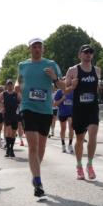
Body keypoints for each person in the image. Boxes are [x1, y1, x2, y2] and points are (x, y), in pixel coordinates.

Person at [18, 38, 64, 197]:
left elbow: (63, 87)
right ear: (29, 49)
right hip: (28, 108)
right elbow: (20, 82)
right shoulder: (23, 65)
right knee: (33, 145)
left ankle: (35, 172)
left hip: (45, 110)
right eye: (34, 47)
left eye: (39, 46)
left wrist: (54, 78)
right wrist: (19, 87)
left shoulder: (51, 65)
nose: (37, 49)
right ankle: (37, 181)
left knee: (42, 147)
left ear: (43, 49)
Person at [64, 44, 103, 180]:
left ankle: (90, 164)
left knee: (93, 135)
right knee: (79, 139)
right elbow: (65, 89)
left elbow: (98, 88)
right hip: (79, 109)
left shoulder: (97, 70)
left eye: (90, 52)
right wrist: (72, 86)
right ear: (80, 54)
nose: (88, 54)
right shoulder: (73, 70)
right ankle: (79, 166)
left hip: (92, 107)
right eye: (85, 52)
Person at [0, 80, 21, 158]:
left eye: (11, 85)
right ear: (6, 86)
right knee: (8, 132)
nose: (10, 86)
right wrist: (2, 107)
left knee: (13, 133)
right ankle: (8, 149)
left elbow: (21, 101)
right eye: (8, 85)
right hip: (7, 115)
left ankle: (11, 149)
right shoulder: (4, 93)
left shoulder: (16, 94)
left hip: (15, 115)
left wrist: (19, 106)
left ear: (13, 86)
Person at [53, 86, 74, 153]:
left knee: (71, 127)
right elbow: (55, 104)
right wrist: (62, 99)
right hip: (62, 113)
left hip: (71, 113)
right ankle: (63, 144)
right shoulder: (59, 91)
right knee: (63, 129)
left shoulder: (73, 91)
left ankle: (70, 144)